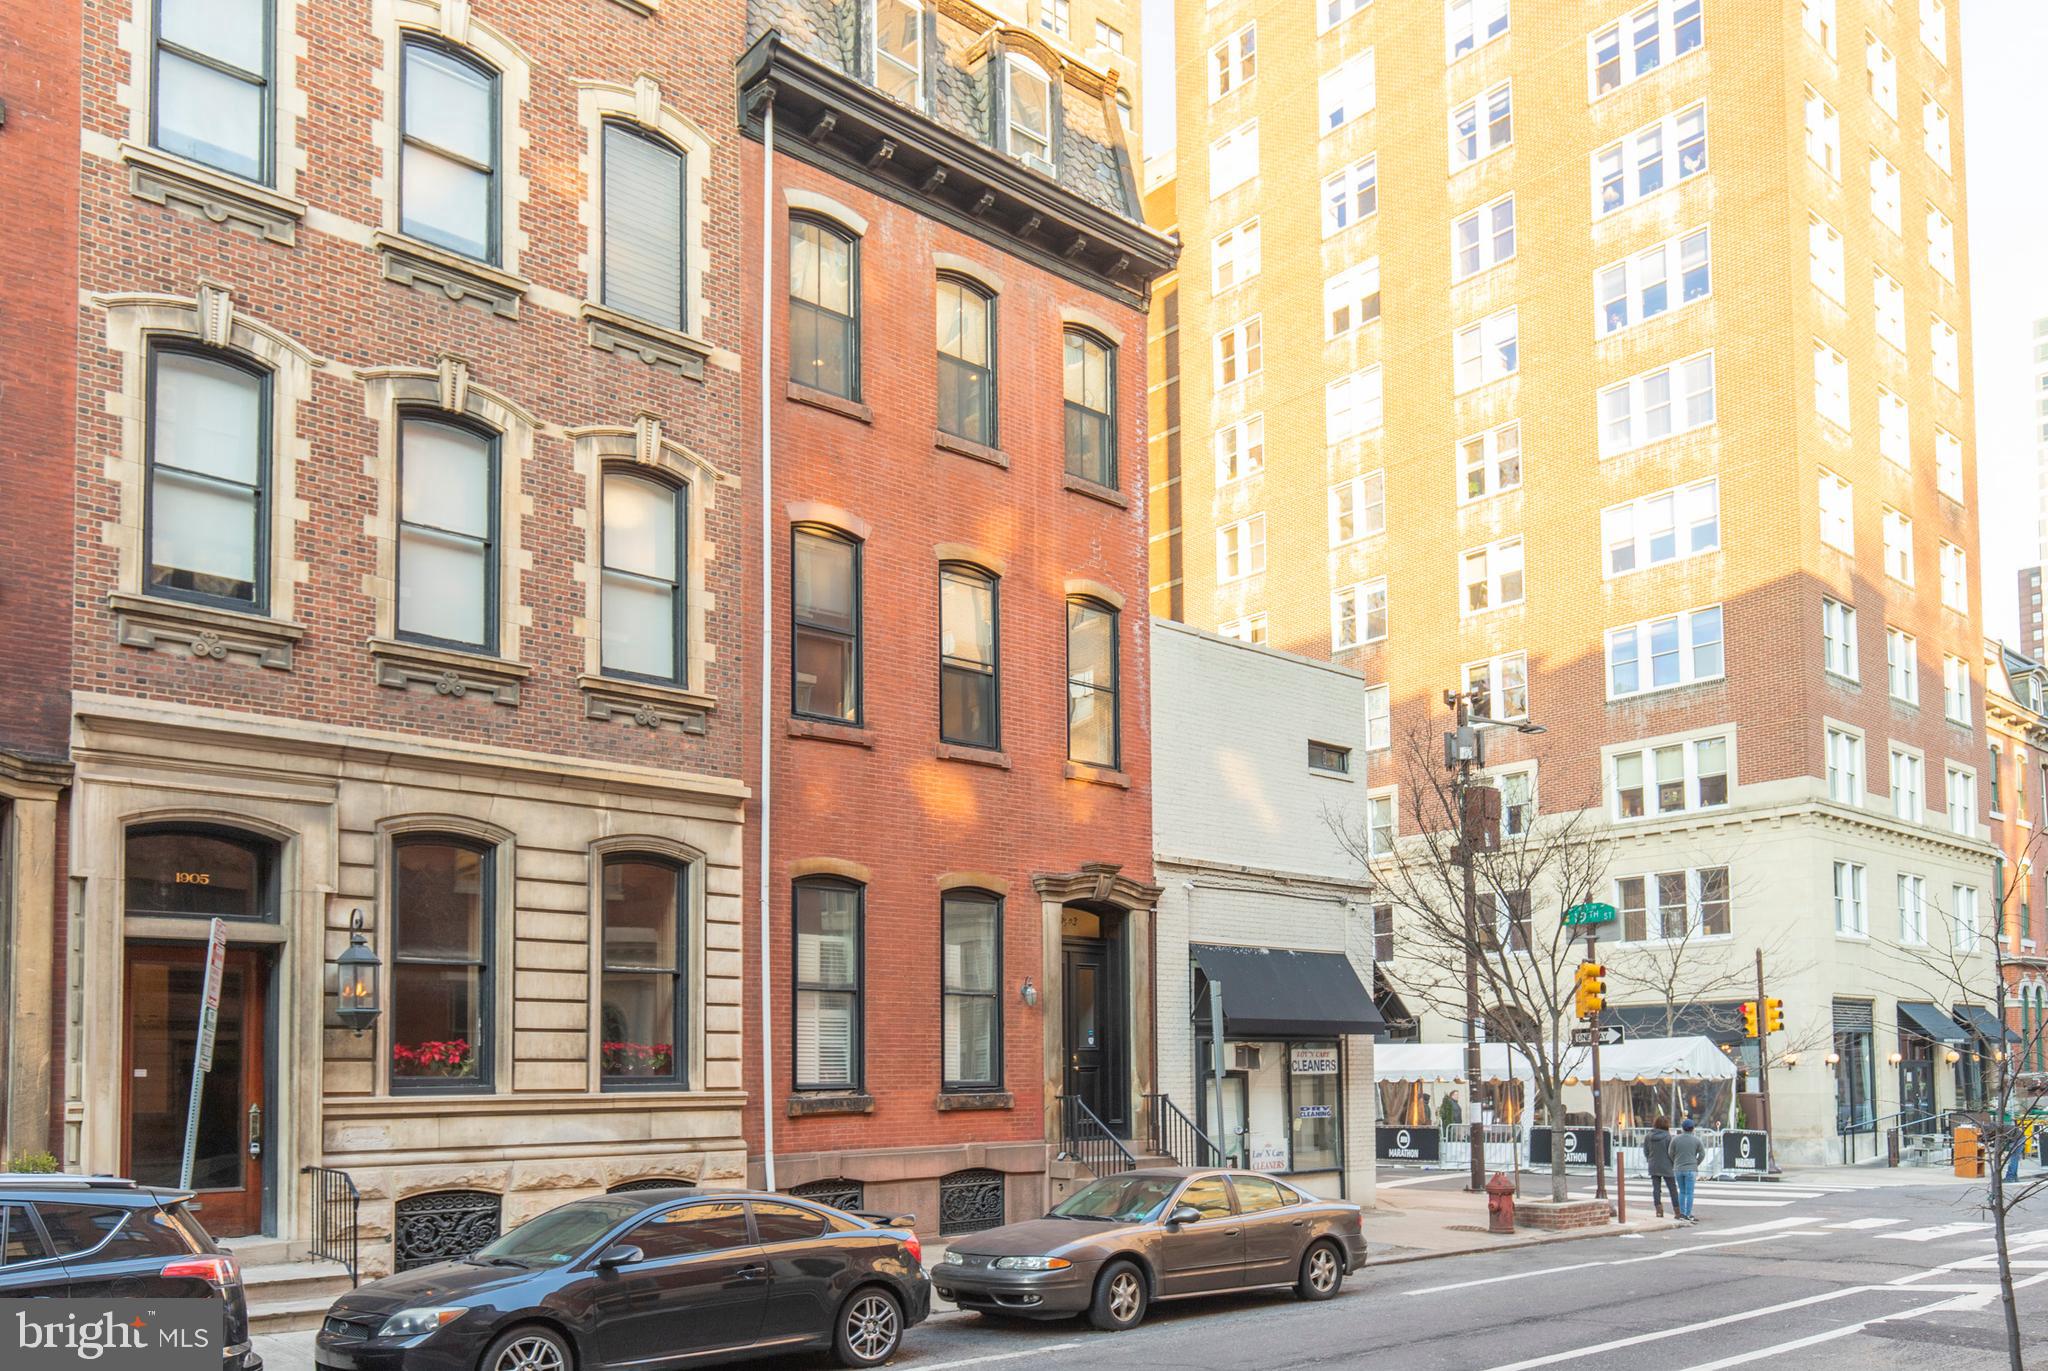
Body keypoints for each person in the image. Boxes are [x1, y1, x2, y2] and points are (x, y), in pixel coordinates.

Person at [1670, 1117, 1707, 1223]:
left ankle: (1681, 1213)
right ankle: (1688, 1214)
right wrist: (1696, 1163)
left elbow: (1670, 1153)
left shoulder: (1676, 1139)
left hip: (1678, 1168)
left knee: (1682, 1191)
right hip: (1691, 1168)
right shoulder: (1696, 1140)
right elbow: (1702, 1154)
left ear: (1682, 1128)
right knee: (1690, 1193)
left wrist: (1676, 1161)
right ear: (1693, 1129)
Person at [1644, 1116, 1677, 1218]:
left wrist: (1649, 1159)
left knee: (1656, 1189)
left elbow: (1646, 1151)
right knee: (1672, 1189)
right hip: (1667, 1165)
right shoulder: (1668, 1137)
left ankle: (1658, 1210)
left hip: (1653, 1164)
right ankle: (1677, 1210)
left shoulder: (1649, 1136)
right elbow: (1671, 1152)